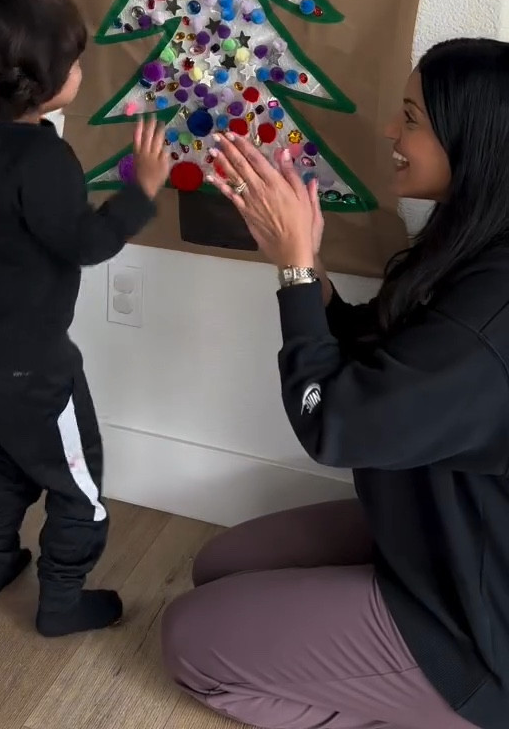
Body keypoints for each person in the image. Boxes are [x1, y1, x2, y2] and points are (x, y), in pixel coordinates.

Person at [162, 38, 509, 729]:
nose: (389, 130)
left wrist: (294, 272)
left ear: (472, 141)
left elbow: (337, 422)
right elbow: (381, 355)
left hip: (475, 624)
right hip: (432, 527)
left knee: (187, 639)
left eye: (411, 117)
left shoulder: (490, 318)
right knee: (219, 564)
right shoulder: (475, 246)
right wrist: (307, 268)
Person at [0, 0, 168, 638]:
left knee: (10, 462)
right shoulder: (45, 160)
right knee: (80, 486)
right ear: (38, 84)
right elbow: (86, 243)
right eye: (73, 61)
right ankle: (61, 601)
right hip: (34, 372)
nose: (81, 70)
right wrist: (141, 190)